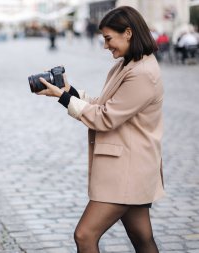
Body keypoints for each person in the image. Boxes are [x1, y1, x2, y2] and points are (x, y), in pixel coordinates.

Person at [36, 6, 164, 252]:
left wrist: (63, 99)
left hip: (129, 168)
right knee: (142, 237)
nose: (106, 46)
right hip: (130, 165)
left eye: (108, 38)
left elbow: (105, 118)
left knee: (85, 235)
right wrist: (68, 92)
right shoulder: (126, 65)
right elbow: (103, 104)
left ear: (128, 33)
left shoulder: (143, 73)